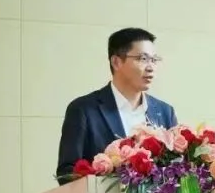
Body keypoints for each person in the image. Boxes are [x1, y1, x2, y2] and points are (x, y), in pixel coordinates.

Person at [55, 28, 178, 183]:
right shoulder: (83, 110)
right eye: (143, 59)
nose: (151, 67)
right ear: (116, 62)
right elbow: (67, 174)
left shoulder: (164, 112)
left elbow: (177, 169)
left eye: (154, 60)